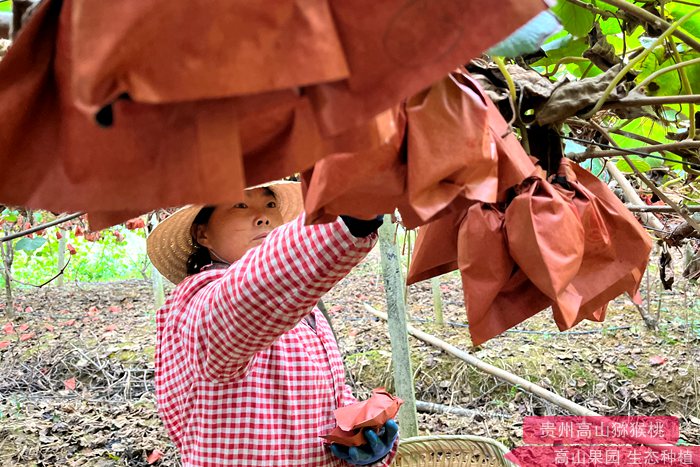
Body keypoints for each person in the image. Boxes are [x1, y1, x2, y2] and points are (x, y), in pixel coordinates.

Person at [147, 180, 399, 467]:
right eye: (240, 205)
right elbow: (243, 300)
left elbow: (332, 397)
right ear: (202, 233)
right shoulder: (195, 302)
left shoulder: (306, 311)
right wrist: (344, 221)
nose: (263, 216)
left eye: (270, 205)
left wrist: (359, 438)